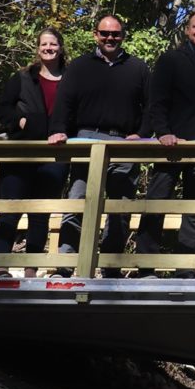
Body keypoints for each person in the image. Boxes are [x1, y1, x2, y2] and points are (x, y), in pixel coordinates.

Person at [48, 14, 149, 277]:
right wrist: (58, 130)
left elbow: (151, 106)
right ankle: (67, 263)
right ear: (96, 35)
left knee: (120, 207)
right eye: (105, 33)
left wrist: (142, 133)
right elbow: (64, 103)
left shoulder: (137, 68)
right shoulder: (80, 67)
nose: (110, 38)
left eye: (115, 34)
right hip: (87, 138)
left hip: (125, 143)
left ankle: (111, 267)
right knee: (78, 200)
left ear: (123, 36)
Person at [135, 10, 195, 278]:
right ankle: (145, 267)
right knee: (156, 203)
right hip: (171, 146)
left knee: (193, 210)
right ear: (187, 30)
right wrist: (162, 132)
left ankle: (184, 269)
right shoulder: (171, 60)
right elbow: (157, 100)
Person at [0, 27, 68, 276]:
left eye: (53, 44)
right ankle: (1, 266)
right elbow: (2, 107)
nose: (48, 48)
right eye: (44, 44)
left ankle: (31, 268)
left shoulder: (70, 79)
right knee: (10, 208)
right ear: (38, 48)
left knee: (40, 213)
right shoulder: (23, 77)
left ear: (61, 47)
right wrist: (20, 122)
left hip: (54, 155)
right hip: (20, 152)